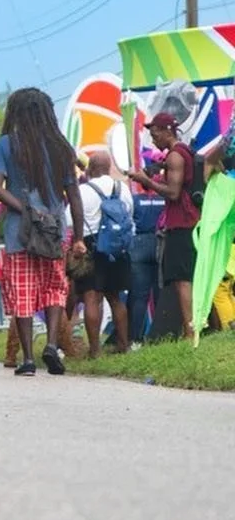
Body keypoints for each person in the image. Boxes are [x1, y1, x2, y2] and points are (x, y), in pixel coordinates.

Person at [0, 88, 85, 377]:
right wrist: (79, 237)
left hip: (20, 233)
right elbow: (74, 196)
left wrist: (25, 209)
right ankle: (52, 346)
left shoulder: (6, 144)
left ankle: (28, 359)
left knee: (23, 292)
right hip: (55, 232)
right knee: (54, 289)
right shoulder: (61, 147)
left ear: (16, 113)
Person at [127, 112, 200, 341]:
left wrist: (146, 181)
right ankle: (193, 327)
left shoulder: (175, 156)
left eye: (155, 134)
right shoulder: (180, 154)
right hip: (185, 222)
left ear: (168, 131)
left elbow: (174, 193)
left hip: (182, 223)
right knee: (182, 277)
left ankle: (190, 331)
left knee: (182, 279)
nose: (153, 139)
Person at [76, 151, 133, 358]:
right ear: (109, 167)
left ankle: (95, 350)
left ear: (90, 168)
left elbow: (70, 219)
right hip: (117, 247)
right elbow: (129, 214)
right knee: (116, 298)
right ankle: (123, 345)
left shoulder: (84, 190)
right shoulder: (122, 188)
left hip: (92, 246)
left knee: (92, 297)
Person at [127, 185, 164, 346]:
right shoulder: (164, 199)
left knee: (139, 297)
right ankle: (159, 335)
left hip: (139, 244)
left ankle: (135, 339)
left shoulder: (134, 200)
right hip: (160, 242)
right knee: (159, 293)